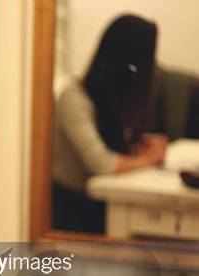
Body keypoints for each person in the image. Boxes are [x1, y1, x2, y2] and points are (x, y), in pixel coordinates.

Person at [52, 15, 168, 234]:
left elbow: (111, 147)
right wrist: (148, 159)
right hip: (73, 212)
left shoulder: (107, 99)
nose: (154, 65)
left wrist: (139, 148)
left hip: (95, 205)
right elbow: (102, 163)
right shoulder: (73, 97)